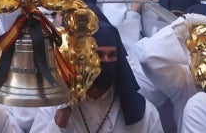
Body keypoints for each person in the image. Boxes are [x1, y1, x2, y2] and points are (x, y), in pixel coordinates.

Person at [31, 24, 162, 133]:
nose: (106, 61)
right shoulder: (54, 104)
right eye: (98, 54)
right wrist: (59, 123)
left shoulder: (145, 112)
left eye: (112, 55)